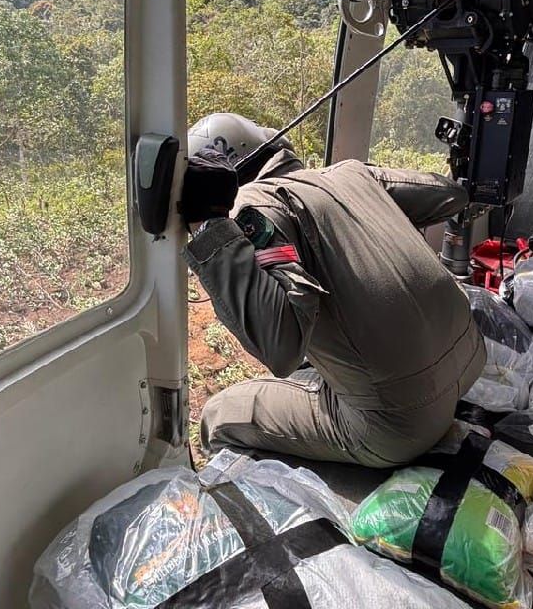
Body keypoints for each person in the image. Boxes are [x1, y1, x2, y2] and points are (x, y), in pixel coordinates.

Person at [181, 112, 484, 467]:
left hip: (399, 425)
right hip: (470, 359)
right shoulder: (351, 172)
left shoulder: (253, 206)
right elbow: (450, 195)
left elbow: (281, 348)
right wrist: (367, 204)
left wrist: (208, 225)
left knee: (220, 414)